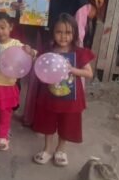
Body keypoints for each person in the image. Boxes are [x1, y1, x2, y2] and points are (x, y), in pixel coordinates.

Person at [23, 0, 90, 126]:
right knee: (40, 82)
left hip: (66, 50)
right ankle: (36, 120)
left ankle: (62, 126)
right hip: (44, 44)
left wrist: (72, 53)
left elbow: (79, 32)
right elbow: (33, 20)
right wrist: (23, 9)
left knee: (63, 85)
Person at [31, 14, 95, 167]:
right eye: (59, 32)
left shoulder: (78, 53)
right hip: (50, 95)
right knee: (48, 121)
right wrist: (31, 54)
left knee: (67, 123)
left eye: (68, 33)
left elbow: (89, 73)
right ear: (53, 32)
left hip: (70, 97)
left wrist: (72, 69)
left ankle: (60, 150)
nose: (63, 36)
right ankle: (47, 149)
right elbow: (39, 65)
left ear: (74, 34)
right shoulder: (48, 50)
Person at [0, 12, 36, 152]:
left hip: (7, 85)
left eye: (3, 27)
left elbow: (32, 53)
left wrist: (30, 51)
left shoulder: (16, 44)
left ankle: (3, 136)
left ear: (10, 27)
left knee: (5, 113)